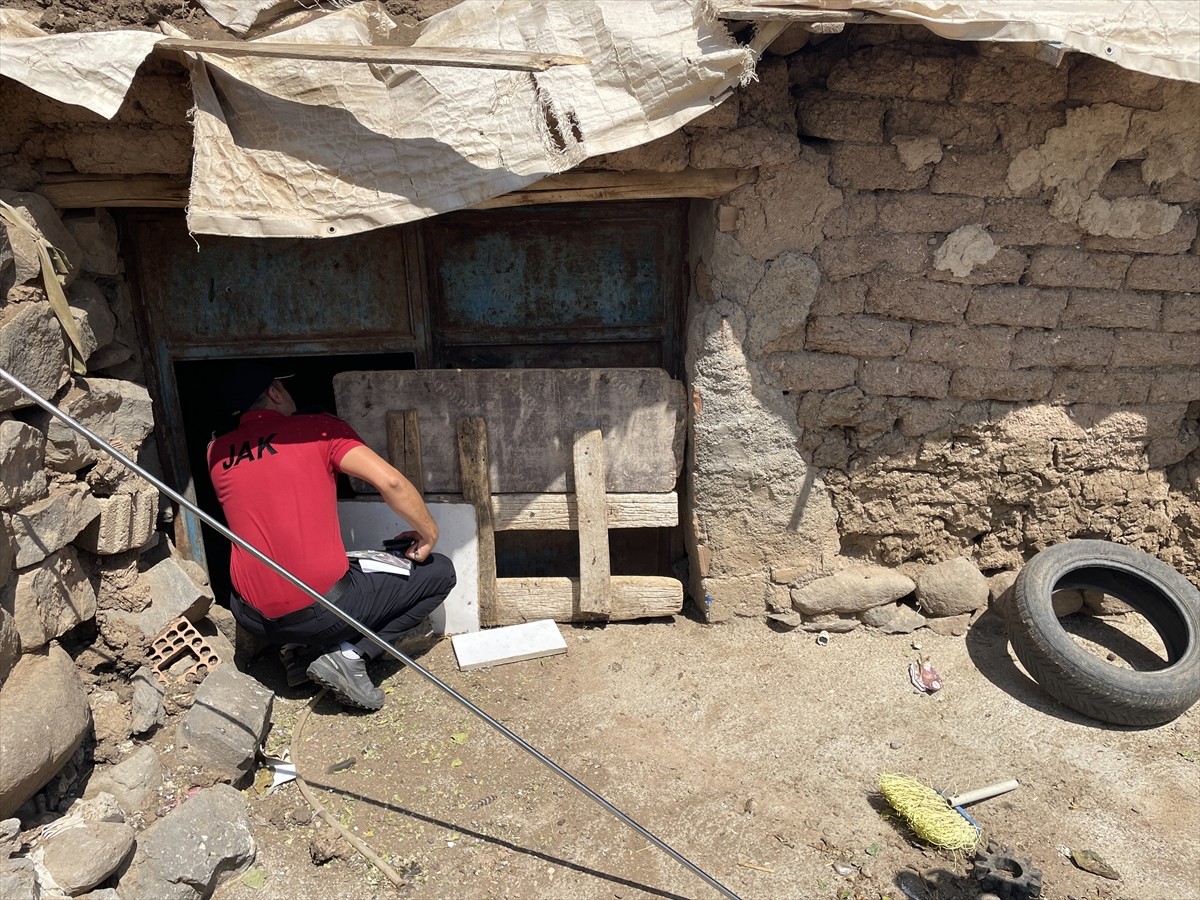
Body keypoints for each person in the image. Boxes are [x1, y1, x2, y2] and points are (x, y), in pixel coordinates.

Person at [207, 361, 456, 711]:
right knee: (440, 572)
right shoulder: (318, 429)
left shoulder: (215, 452)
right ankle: (352, 656)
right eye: (284, 387)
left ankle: (296, 653)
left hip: (252, 617)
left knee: (339, 565)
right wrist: (429, 532)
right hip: (320, 612)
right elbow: (391, 482)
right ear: (275, 392)